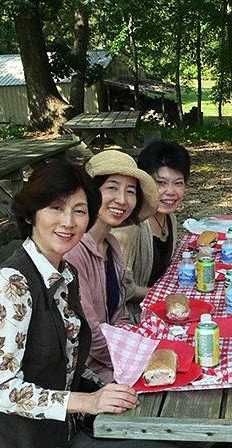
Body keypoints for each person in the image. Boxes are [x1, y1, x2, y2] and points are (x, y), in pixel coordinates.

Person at [0, 162, 195, 448]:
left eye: (79, 211)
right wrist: (88, 401)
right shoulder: (10, 284)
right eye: (56, 208)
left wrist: (112, 385)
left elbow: (73, 359)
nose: (69, 222)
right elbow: (2, 390)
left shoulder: (64, 272)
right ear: (32, 214)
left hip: (62, 433)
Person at [65, 150, 159, 383]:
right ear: (90, 193)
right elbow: (89, 331)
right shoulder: (73, 251)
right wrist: (132, 360)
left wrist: (133, 344)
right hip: (85, 370)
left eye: (130, 191)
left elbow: (119, 315)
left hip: (114, 358)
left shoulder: (112, 244)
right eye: (112, 187)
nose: (122, 199)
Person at [113, 140, 190, 323]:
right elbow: (122, 287)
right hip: (134, 317)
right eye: (161, 183)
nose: (170, 192)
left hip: (161, 309)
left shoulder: (169, 217)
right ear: (144, 184)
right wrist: (165, 294)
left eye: (178, 183)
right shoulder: (131, 226)